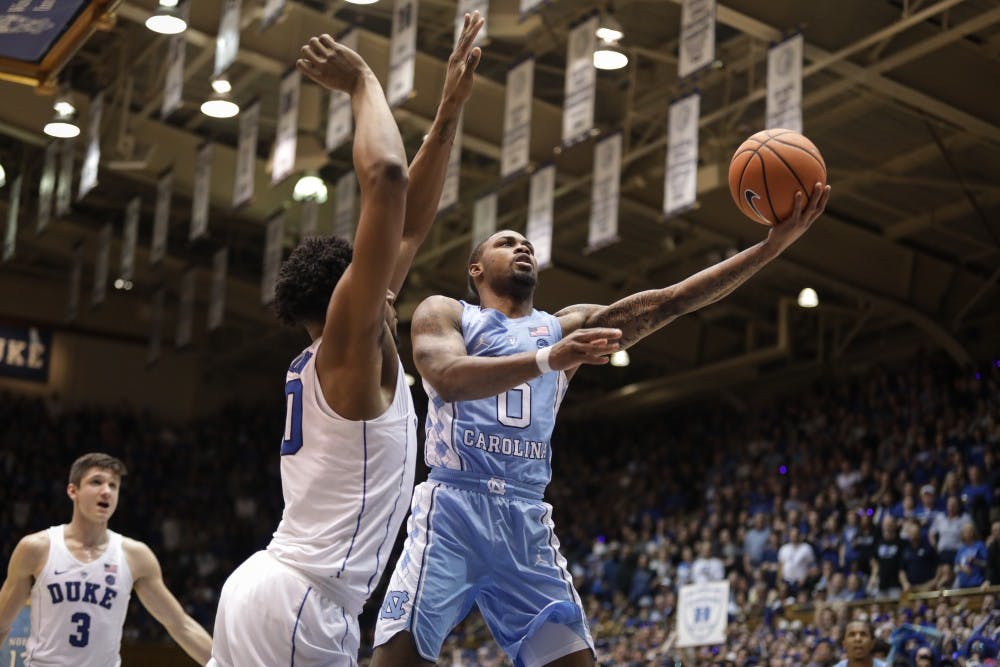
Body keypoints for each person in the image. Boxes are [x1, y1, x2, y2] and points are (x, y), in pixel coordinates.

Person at [372, 179, 830, 667]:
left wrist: (768, 248)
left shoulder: (564, 326)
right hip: (454, 508)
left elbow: (668, 302)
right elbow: (446, 378)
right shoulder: (448, 313)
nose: (521, 245)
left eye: (526, 242)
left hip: (524, 516)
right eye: (506, 242)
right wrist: (550, 360)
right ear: (476, 268)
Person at [207, 14, 485, 667]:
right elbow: (386, 180)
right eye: (375, 273)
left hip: (276, 590)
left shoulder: (342, 348)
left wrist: (448, 109)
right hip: (304, 599)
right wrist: (362, 79)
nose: (394, 275)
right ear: (350, 292)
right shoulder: (348, 347)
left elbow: (410, 220)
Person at [0, 453, 212, 666]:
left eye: (114, 485)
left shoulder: (135, 557)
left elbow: (180, 625)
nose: (106, 491)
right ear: (73, 490)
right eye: (96, 482)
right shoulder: (36, 548)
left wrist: (226, 663)